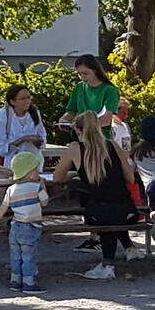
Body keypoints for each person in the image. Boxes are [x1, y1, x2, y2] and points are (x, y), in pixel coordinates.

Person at [53, 111, 141, 280]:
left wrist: (74, 175)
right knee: (112, 207)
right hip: (128, 210)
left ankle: (108, 264)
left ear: (79, 131)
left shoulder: (76, 149)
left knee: (98, 204)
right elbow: (130, 177)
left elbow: (57, 177)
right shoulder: (112, 145)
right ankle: (128, 248)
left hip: (98, 213)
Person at [0, 149, 48, 292]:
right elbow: (45, 202)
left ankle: (15, 280)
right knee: (29, 256)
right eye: (36, 170)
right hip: (31, 227)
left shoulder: (11, 189)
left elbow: (3, 208)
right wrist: (43, 185)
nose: (38, 173)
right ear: (29, 173)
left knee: (16, 256)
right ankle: (29, 283)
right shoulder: (36, 187)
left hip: (15, 227)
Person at [0, 85, 45, 164]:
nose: (27, 101)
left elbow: (43, 137)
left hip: (33, 162)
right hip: (13, 163)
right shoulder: (4, 115)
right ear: (12, 102)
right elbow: (1, 148)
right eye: (23, 99)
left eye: (29, 97)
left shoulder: (35, 113)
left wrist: (38, 141)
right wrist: (24, 139)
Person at [65, 55, 120, 129]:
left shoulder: (110, 90)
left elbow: (106, 120)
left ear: (95, 71)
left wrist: (85, 126)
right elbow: (71, 111)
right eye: (79, 74)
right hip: (81, 136)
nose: (82, 77)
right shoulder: (79, 87)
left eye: (85, 73)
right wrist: (64, 120)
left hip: (101, 137)